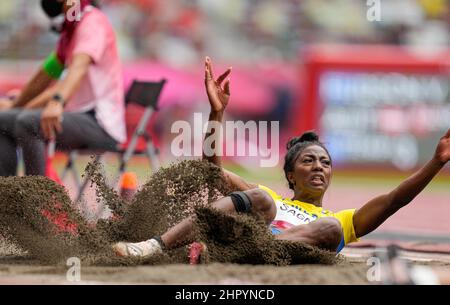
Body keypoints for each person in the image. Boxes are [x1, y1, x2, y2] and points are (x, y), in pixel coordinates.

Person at [113, 57, 450, 260]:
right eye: (309, 161)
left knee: (333, 228)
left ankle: (246, 253)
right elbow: (210, 172)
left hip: (270, 258)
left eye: (325, 162)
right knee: (257, 196)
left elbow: (393, 201)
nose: (319, 166)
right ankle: (154, 246)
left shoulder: (340, 219)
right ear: (290, 175)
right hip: (244, 243)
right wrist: (217, 114)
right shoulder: (269, 199)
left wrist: (436, 161)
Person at [0, 0, 126, 177]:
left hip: (99, 123)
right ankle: (6, 196)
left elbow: (78, 69)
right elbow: (43, 78)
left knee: (28, 122)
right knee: (3, 119)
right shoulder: (69, 34)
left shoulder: (93, 22)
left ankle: (35, 200)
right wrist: (16, 106)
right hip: (74, 116)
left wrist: (57, 102)